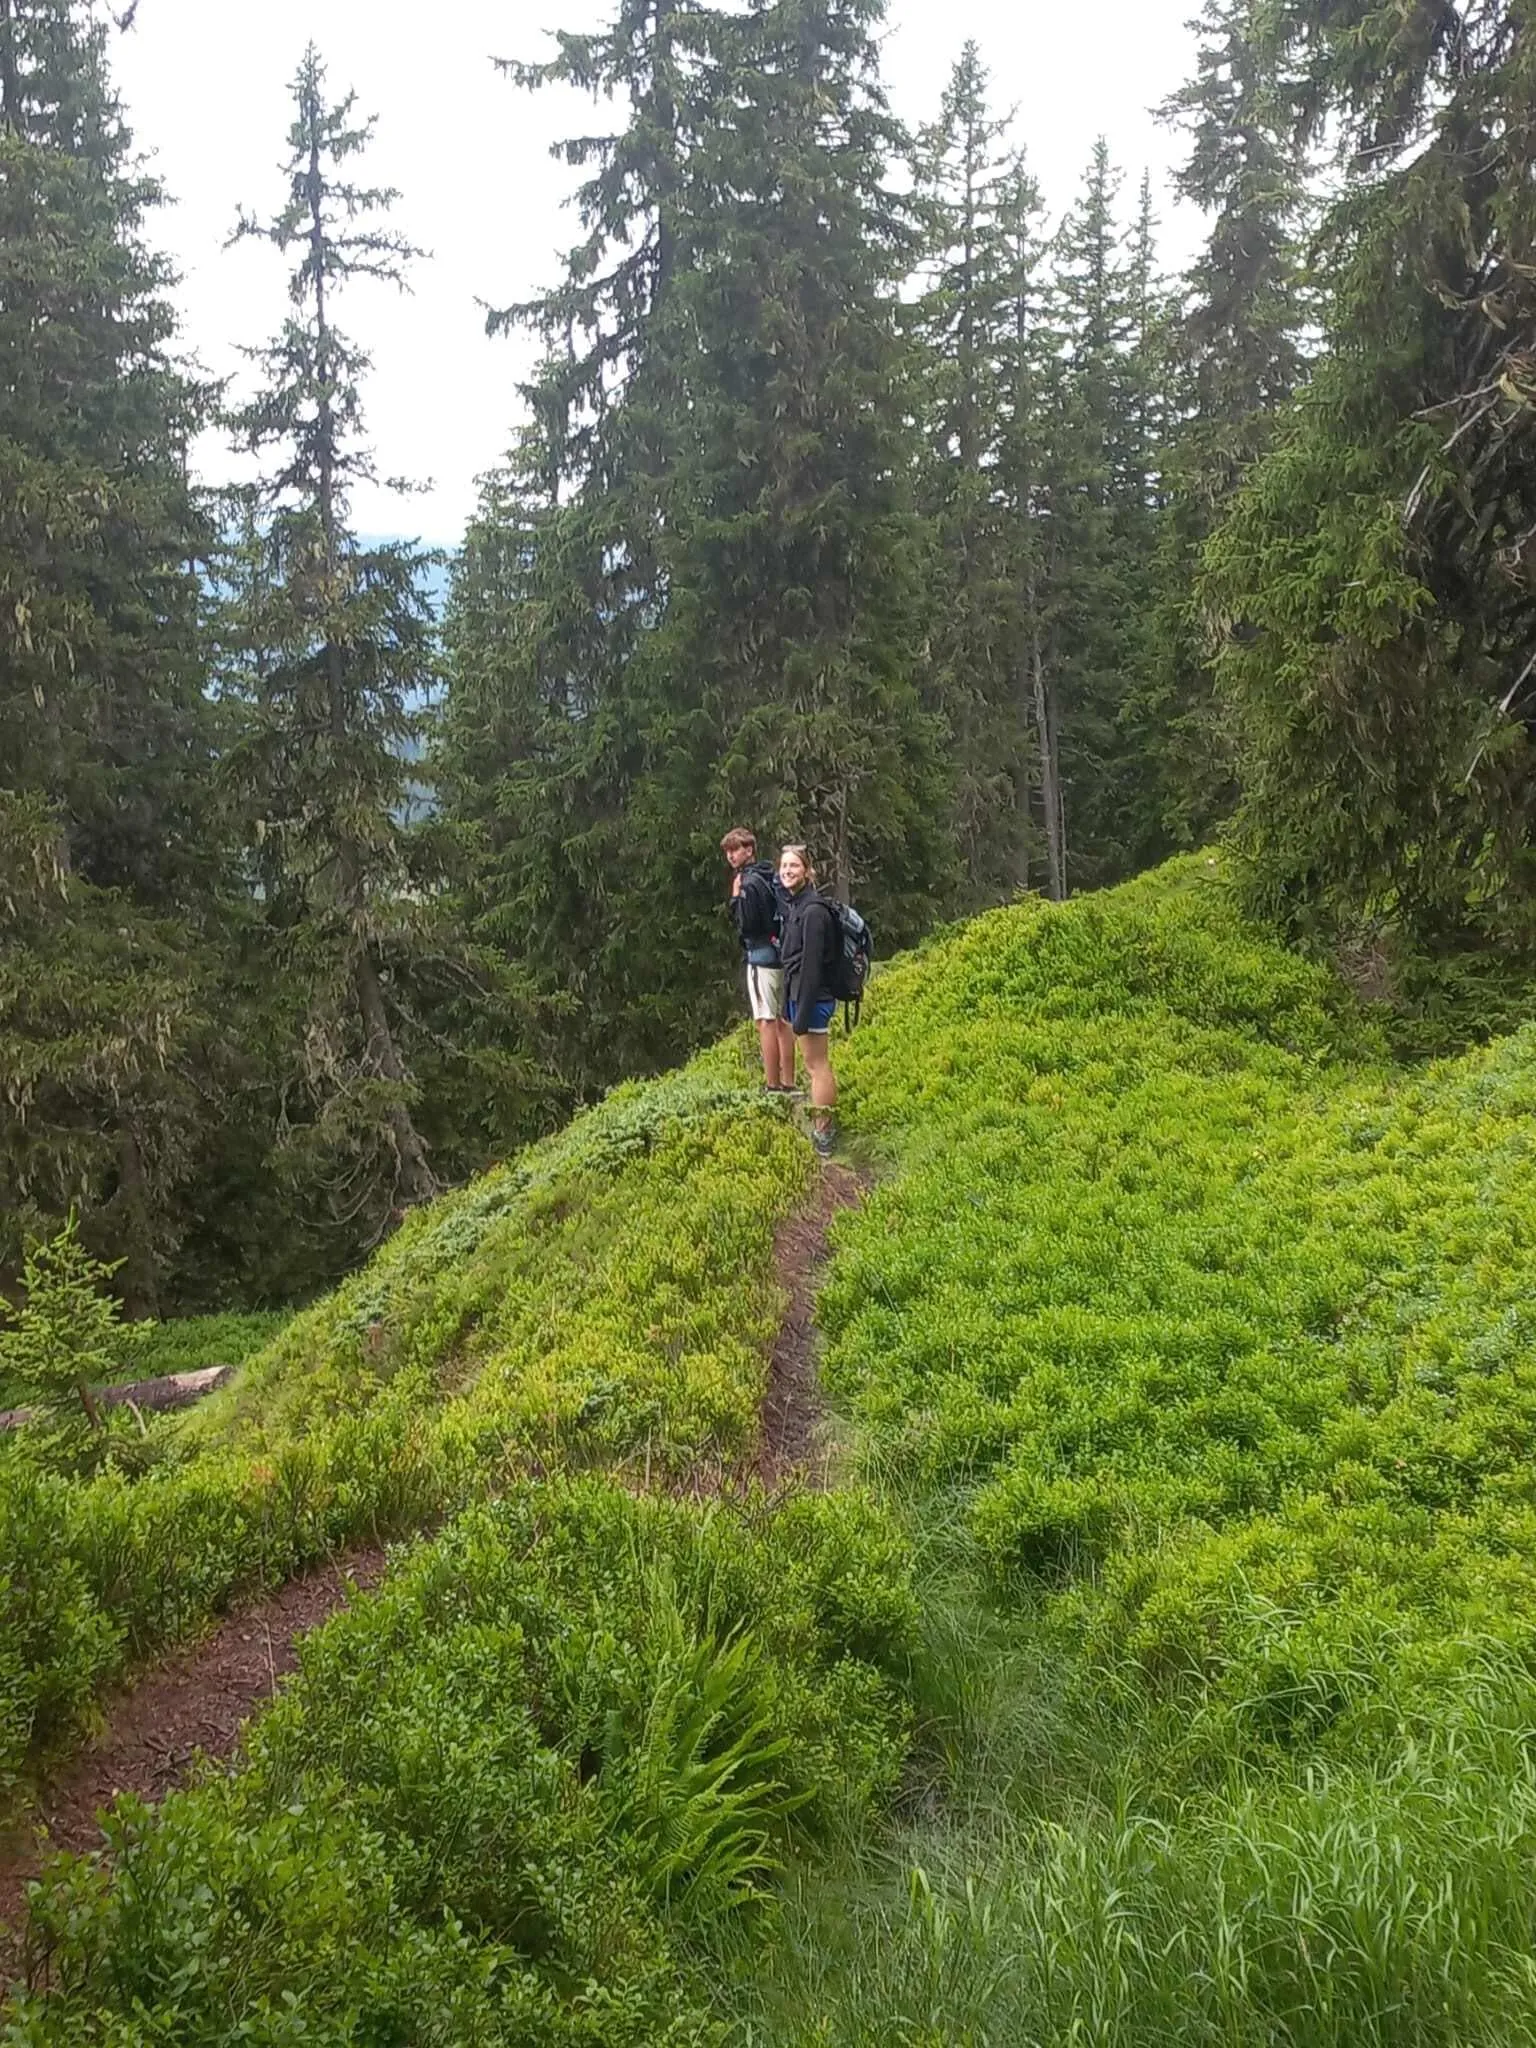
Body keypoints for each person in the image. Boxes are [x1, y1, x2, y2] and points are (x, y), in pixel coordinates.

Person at [721, 826, 795, 1093]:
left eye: (735, 849)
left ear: (748, 850)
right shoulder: (771, 875)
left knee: (765, 1020)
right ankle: (789, 1080)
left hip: (760, 956)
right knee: (783, 1019)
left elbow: (746, 925)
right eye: (728, 851)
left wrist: (734, 899)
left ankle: (772, 1084)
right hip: (782, 954)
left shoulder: (747, 883)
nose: (731, 856)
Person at [778, 843, 838, 1157]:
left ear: (807, 871)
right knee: (814, 1064)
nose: (787, 871)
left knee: (817, 1065)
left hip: (813, 998)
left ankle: (824, 1132)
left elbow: (813, 966)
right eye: (784, 866)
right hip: (801, 996)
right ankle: (823, 1123)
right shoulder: (796, 906)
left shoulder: (813, 912)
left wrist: (801, 1013)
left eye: (794, 866)